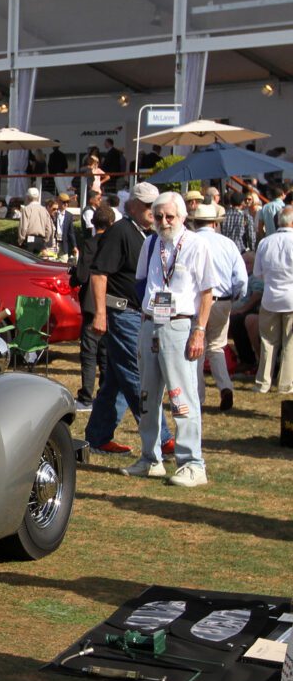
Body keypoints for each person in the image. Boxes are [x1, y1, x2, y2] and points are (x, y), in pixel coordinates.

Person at [125, 192, 215, 487]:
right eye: (159, 216)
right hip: (150, 324)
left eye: (170, 217)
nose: (164, 222)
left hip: (180, 326)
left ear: (182, 217)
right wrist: (148, 311)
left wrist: (199, 330)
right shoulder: (151, 243)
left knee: (182, 396)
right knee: (148, 395)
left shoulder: (196, 245)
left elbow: (206, 293)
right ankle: (150, 459)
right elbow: (140, 282)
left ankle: (192, 463)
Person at [85, 182, 175, 458]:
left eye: (155, 206)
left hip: (138, 313)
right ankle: (162, 438)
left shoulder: (147, 234)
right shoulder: (121, 232)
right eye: (147, 206)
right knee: (137, 376)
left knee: (117, 378)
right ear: (133, 205)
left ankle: (98, 436)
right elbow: (99, 274)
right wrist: (100, 314)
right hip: (122, 314)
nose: (153, 211)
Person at [188, 204, 246, 413]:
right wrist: (236, 296)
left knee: (196, 348)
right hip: (222, 300)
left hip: (197, 301)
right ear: (214, 223)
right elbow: (240, 278)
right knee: (217, 346)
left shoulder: (190, 241)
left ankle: (197, 395)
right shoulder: (227, 244)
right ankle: (225, 386)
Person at [71, 205, 115, 411]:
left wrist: (73, 276)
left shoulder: (90, 244)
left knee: (89, 353)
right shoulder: (115, 245)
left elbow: (81, 275)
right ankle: (105, 394)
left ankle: (86, 396)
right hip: (112, 303)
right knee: (106, 354)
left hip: (91, 304)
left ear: (93, 223)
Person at [253, 205, 293, 394]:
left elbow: (257, 273)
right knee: (290, 343)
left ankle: (263, 382)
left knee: (268, 342)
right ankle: (285, 384)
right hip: (291, 298)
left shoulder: (265, 243)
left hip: (270, 297)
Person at [16, 187, 55, 254]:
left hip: (29, 240)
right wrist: (46, 239)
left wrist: (21, 240)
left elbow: (23, 227)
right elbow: (49, 228)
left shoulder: (26, 209)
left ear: (28, 197)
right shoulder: (44, 210)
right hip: (41, 241)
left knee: (27, 261)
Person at [48, 193, 79, 262]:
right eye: (64, 202)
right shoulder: (53, 212)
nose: (66, 204)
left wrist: (74, 246)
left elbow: (71, 232)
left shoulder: (69, 215)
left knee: (64, 262)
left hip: (64, 243)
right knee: (51, 262)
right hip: (53, 242)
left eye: (67, 202)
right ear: (58, 202)